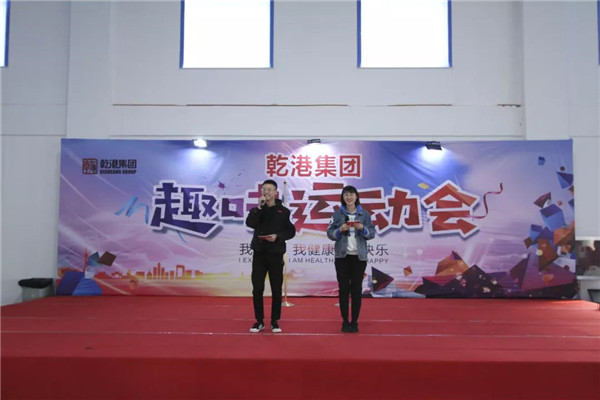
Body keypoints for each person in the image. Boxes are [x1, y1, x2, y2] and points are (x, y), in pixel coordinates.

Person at [245, 179, 296, 333]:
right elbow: (250, 223)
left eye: (269, 189)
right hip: (259, 253)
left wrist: (278, 237)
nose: (266, 192)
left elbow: (291, 231)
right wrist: (259, 208)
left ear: (275, 192)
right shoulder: (257, 210)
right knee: (257, 288)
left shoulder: (283, 211)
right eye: (264, 189)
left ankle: (274, 321)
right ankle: (259, 321)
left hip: (275, 254)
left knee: (276, 289)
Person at [327, 185, 375, 333]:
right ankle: (344, 321)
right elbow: (329, 233)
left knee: (356, 289)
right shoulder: (337, 214)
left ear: (356, 196)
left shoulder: (364, 214)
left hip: (359, 257)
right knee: (343, 289)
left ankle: (354, 321)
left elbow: (372, 233)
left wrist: (362, 229)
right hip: (342, 256)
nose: (349, 197)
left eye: (351, 194)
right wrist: (339, 230)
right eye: (346, 195)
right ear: (343, 197)